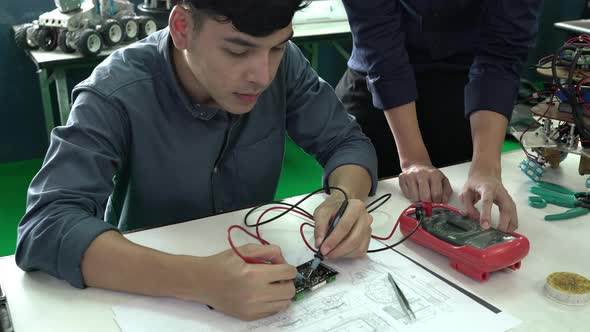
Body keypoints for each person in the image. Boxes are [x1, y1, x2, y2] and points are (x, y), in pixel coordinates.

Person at [16, 0, 378, 321]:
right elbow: (46, 227)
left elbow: (345, 142)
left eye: (277, 48)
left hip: (258, 284)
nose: (262, 76)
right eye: (238, 51)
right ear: (182, 28)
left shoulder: (285, 68)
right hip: (147, 292)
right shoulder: (115, 91)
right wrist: (200, 280)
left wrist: (345, 199)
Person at [337, 0, 543, 232]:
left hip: (466, 96)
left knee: (455, 221)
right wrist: (414, 160)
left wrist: (486, 168)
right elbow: (381, 50)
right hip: (380, 100)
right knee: (372, 224)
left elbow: (502, 53)